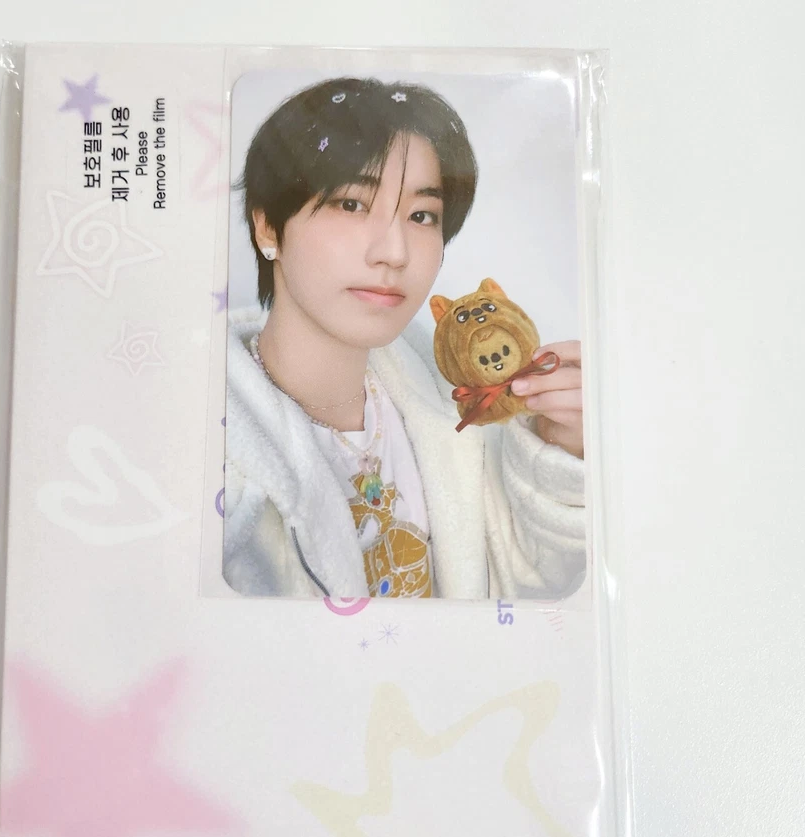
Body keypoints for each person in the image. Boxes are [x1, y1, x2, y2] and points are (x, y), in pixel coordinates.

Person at [223, 76, 586, 600]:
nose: (394, 252)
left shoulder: (447, 397)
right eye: (352, 204)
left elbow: (522, 583)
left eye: (421, 215)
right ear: (268, 228)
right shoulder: (208, 442)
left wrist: (559, 446)